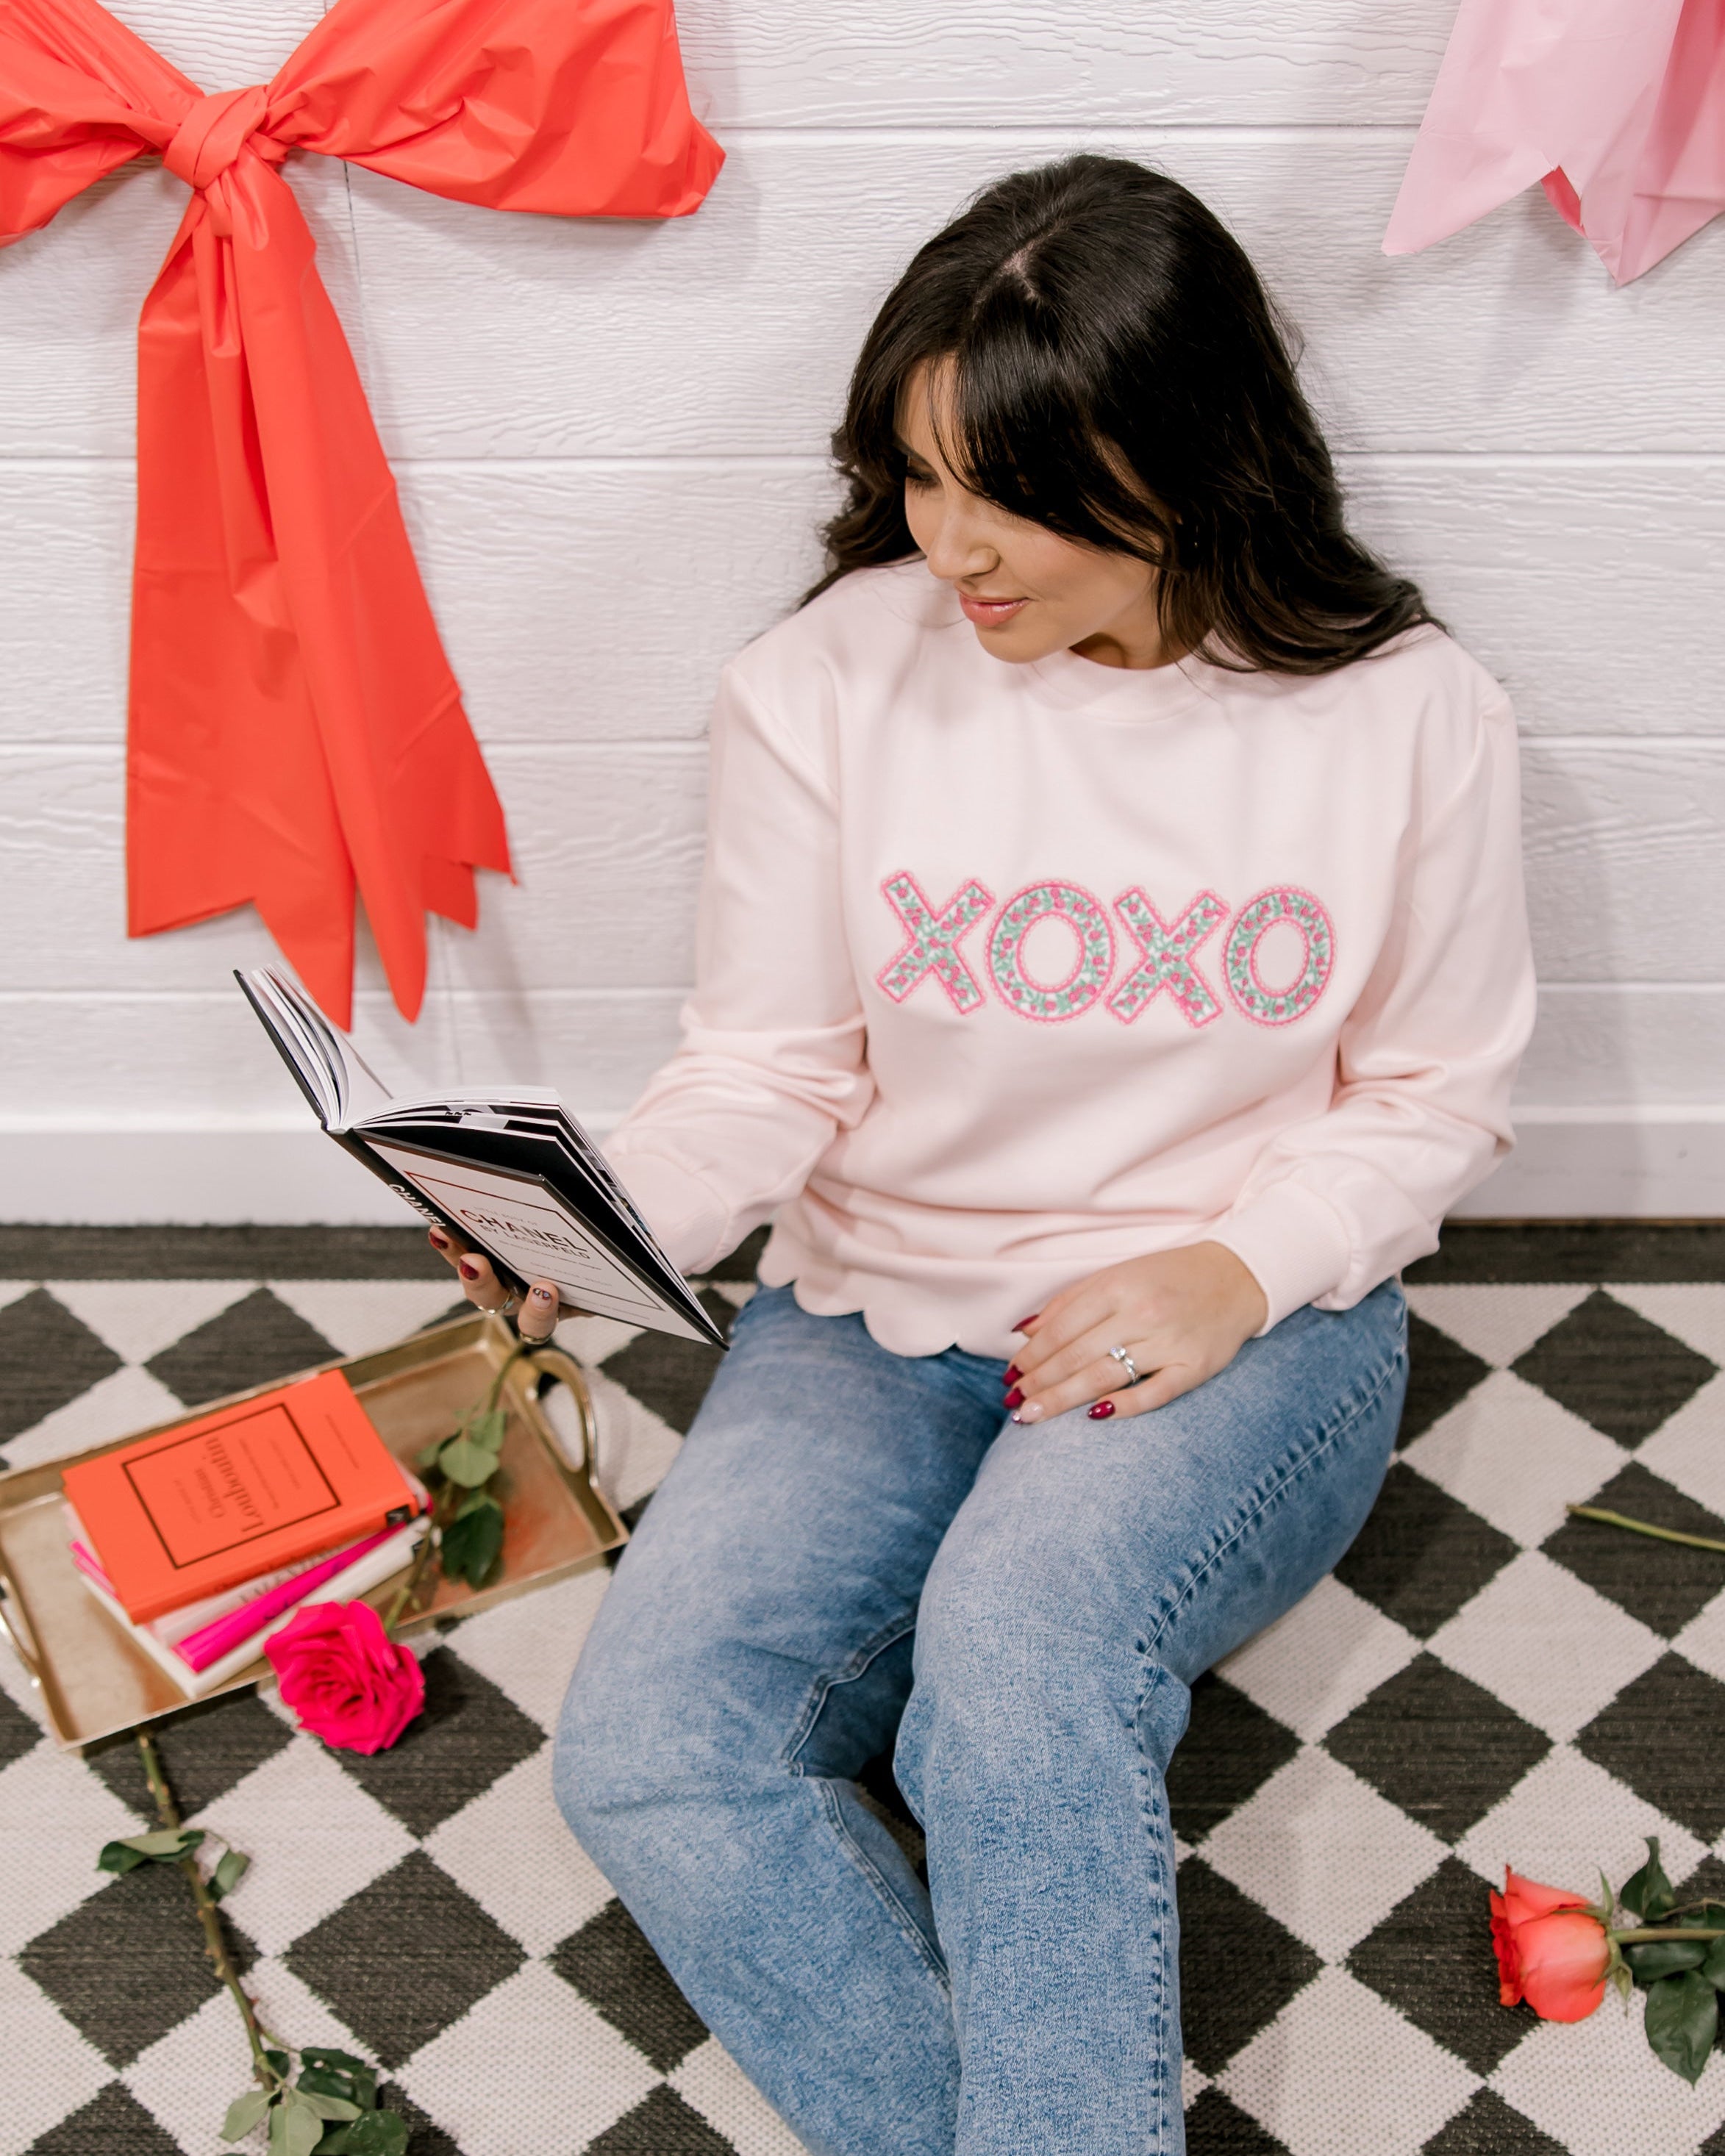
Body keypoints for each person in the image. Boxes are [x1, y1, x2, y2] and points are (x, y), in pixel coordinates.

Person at [431, 154, 1535, 2156]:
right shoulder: (823, 683)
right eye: (920, 475)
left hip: (1243, 1323)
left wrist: (1229, 1271)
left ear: (1189, 461)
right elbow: (764, 1069)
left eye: (1012, 490)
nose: (956, 546)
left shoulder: (1405, 714)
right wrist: (609, 1218)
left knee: (1008, 1694)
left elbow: (1434, 1096)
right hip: (870, 1319)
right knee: (659, 1755)